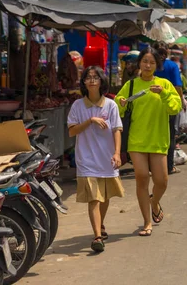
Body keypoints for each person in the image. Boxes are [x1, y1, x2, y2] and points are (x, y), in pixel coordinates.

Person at [115, 48, 182, 236]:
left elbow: (175, 108)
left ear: (157, 65)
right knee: (142, 177)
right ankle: (147, 222)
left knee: (162, 181)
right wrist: (120, 101)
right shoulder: (130, 85)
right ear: (139, 63)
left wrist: (164, 94)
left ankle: (154, 201)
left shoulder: (165, 84)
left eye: (152, 62)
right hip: (137, 140)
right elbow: (118, 107)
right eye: (145, 61)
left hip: (159, 139)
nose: (148, 65)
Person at [68, 66, 124, 253]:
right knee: (94, 199)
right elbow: (71, 131)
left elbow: (117, 130)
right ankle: (97, 237)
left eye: (95, 77)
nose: (92, 80)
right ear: (83, 82)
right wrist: (90, 120)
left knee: (105, 196)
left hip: (106, 158)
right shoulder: (77, 106)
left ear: (101, 81)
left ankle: (101, 225)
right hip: (86, 159)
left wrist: (117, 153)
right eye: (88, 77)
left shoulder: (111, 105)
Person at [152, 42, 185, 175]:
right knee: (170, 135)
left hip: (151, 105)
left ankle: (152, 168)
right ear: (167, 52)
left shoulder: (149, 64)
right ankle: (169, 166)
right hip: (169, 104)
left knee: (153, 135)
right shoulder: (172, 66)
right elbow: (177, 86)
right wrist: (181, 100)